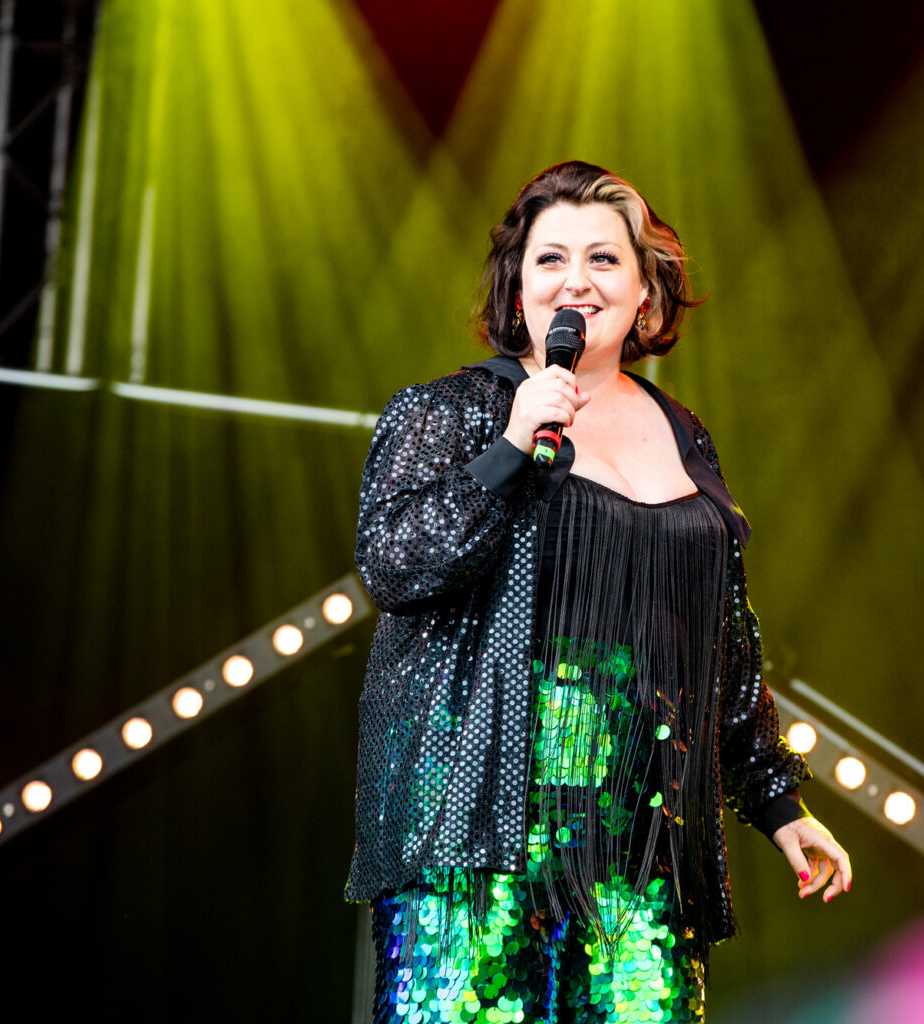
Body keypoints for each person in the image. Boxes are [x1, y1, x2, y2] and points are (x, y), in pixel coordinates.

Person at [346, 160, 851, 1023]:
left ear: (646, 293)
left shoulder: (685, 436)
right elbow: (394, 563)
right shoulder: (453, 412)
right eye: (551, 259)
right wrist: (509, 447)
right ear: (517, 292)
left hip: (642, 847)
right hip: (481, 835)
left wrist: (778, 803)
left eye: (604, 258)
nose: (576, 279)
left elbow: (720, 641)